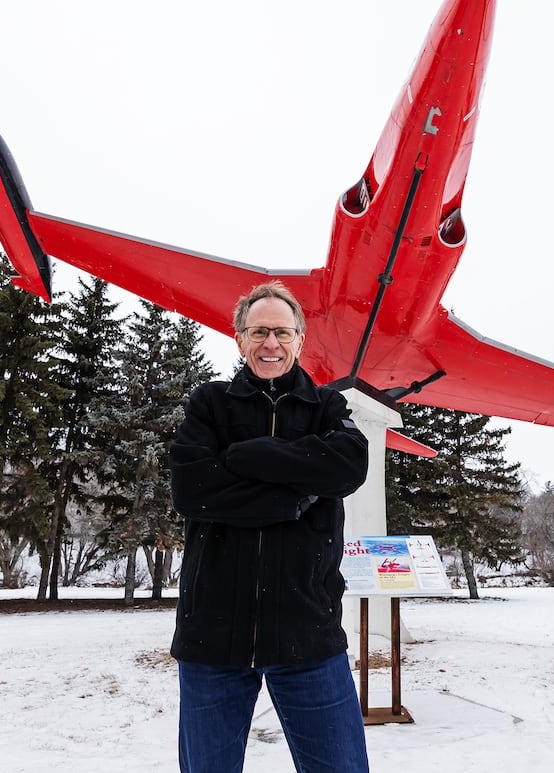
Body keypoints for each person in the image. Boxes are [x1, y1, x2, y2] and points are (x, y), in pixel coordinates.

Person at [168, 281, 371, 773]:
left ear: (301, 339)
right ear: (239, 338)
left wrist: (250, 456)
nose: (271, 344)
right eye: (258, 332)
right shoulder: (209, 405)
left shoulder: (326, 408)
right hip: (212, 637)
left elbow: (348, 467)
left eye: (282, 332)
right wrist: (295, 496)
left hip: (308, 632)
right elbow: (193, 490)